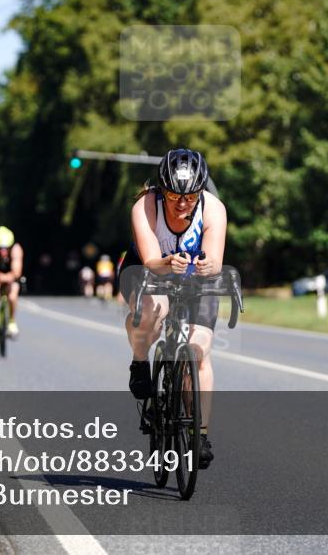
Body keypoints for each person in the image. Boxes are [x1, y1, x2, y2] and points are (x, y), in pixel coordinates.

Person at [118, 148, 226, 469]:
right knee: (156, 308)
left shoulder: (213, 209)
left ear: (201, 191)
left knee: (199, 349)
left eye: (190, 197)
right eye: (173, 196)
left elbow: (215, 259)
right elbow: (151, 260)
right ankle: (140, 363)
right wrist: (169, 262)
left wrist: (206, 267)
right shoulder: (146, 206)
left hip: (194, 278)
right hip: (147, 269)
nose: (182, 204)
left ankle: (200, 434)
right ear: (161, 191)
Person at [0, 226, 24, 337]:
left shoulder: (16, 249)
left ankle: (11, 321)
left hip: (11, 276)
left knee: (12, 296)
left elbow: (16, 272)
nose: (3, 251)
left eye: (6, 248)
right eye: (0, 248)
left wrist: (8, 277)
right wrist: (0, 277)